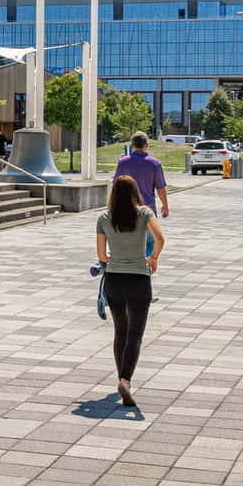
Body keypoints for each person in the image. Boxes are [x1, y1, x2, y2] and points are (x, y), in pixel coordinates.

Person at [94, 176, 165, 408]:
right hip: (139, 279)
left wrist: (113, 261)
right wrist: (152, 257)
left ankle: (120, 377)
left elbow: (101, 255)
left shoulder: (104, 218)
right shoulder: (144, 214)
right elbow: (160, 238)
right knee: (135, 333)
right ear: (135, 192)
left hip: (114, 279)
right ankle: (126, 380)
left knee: (120, 331)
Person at [95, 133, 167, 318]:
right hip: (146, 215)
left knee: (119, 249)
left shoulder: (123, 162)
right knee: (147, 252)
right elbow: (160, 187)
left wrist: (111, 206)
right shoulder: (154, 163)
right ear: (146, 145)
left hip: (120, 213)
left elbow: (117, 185)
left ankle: (110, 285)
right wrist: (165, 205)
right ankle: (142, 288)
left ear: (132, 145)